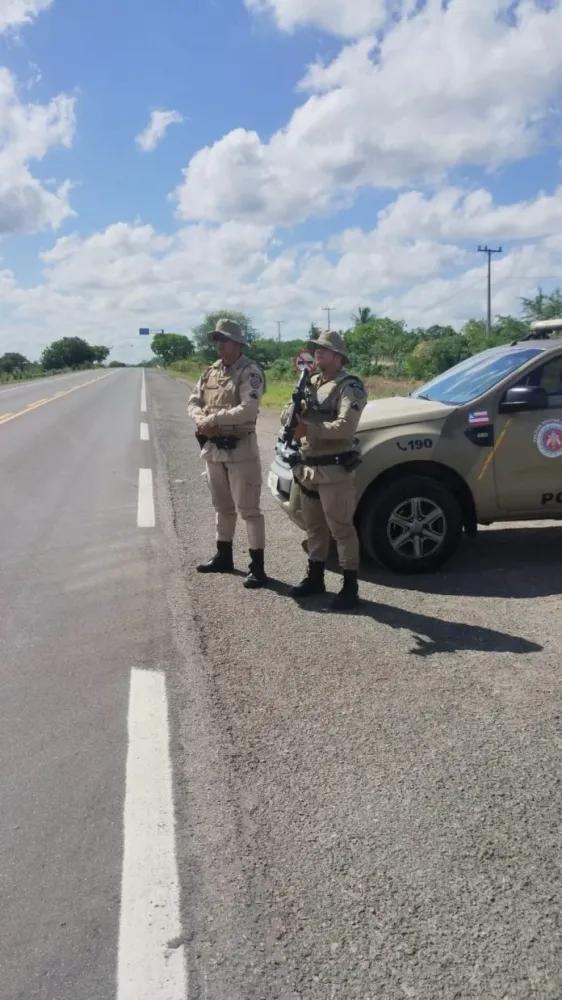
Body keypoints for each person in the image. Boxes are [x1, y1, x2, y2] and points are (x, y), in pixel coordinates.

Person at [282, 329, 367, 610]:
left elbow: (346, 426)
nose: (317, 352)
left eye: (324, 349)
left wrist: (310, 428)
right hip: (308, 468)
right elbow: (290, 414)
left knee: (341, 529)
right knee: (314, 528)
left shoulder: (349, 386)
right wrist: (293, 412)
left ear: (338, 356)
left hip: (334, 470)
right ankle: (315, 577)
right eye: (315, 348)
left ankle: (349, 587)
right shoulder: (311, 382)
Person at [187, 318, 267, 589]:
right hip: (213, 449)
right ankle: (224, 556)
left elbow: (248, 409)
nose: (218, 345)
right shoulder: (210, 372)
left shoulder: (250, 372)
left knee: (249, 510)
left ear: (236, 343)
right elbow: (193, 401)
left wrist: (216, 419)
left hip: (240, 449)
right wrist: (200, 418)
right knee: (222, 507)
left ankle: (257, 567)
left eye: (223, 340)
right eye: (216, 340)